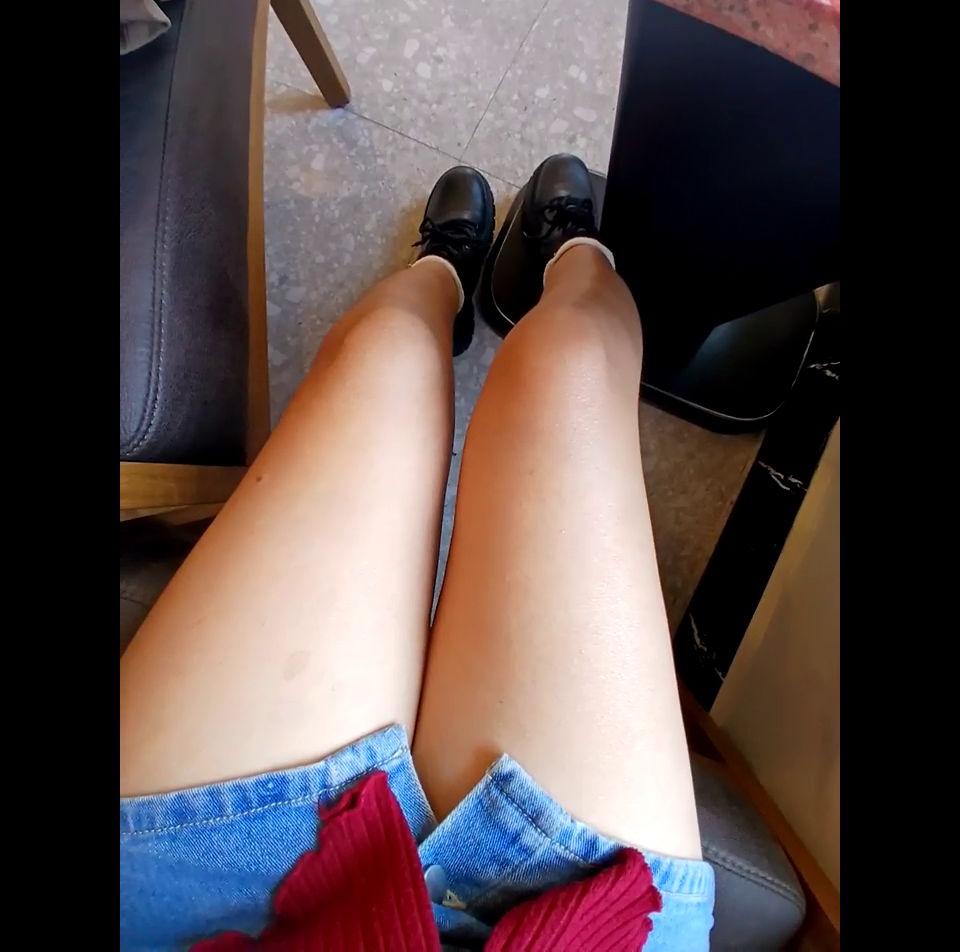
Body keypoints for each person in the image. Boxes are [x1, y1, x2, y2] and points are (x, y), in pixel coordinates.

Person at [119, 155, 715, 950]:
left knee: (384, 350)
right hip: (579, 921)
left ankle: (439, 272)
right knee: (572, 361)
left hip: (209, 917)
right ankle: (574, 255)